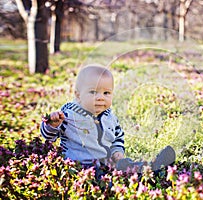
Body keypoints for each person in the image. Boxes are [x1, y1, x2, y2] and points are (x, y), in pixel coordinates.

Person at [40, 65, 175, 178]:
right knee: (102, 180)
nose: (100, 98)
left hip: (107, 161)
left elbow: (117, 137)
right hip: (79, 165)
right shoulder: (68, 115)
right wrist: (52, 124)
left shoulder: (110, 117)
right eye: (93, 92)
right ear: (78, 95)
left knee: (127, 165)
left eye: (106, 93)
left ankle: (154, 168)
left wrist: (117, 151)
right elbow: (49, 137)